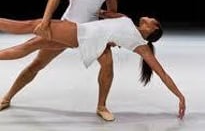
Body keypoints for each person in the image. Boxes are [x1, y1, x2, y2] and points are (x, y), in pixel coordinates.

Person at [0, 0, 133, 121]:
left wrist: (116, 29)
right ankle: (6, 98)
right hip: (67, 29)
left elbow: (110, 15)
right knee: (37, 63)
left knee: (108, 65)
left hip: (91, 34)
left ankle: (101, 106)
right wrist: (45, 22)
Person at [0, 12, 186, 119]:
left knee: (30, 25)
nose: (151, 17)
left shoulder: (142, 46)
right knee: (28, 46)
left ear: (153, 29)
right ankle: (101, 106)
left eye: (155, 21)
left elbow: (162, 73)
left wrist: (180, 96)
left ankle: (101, 106)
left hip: (80, 34)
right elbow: (101, 14)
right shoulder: (126, 19)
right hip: (83, 35)